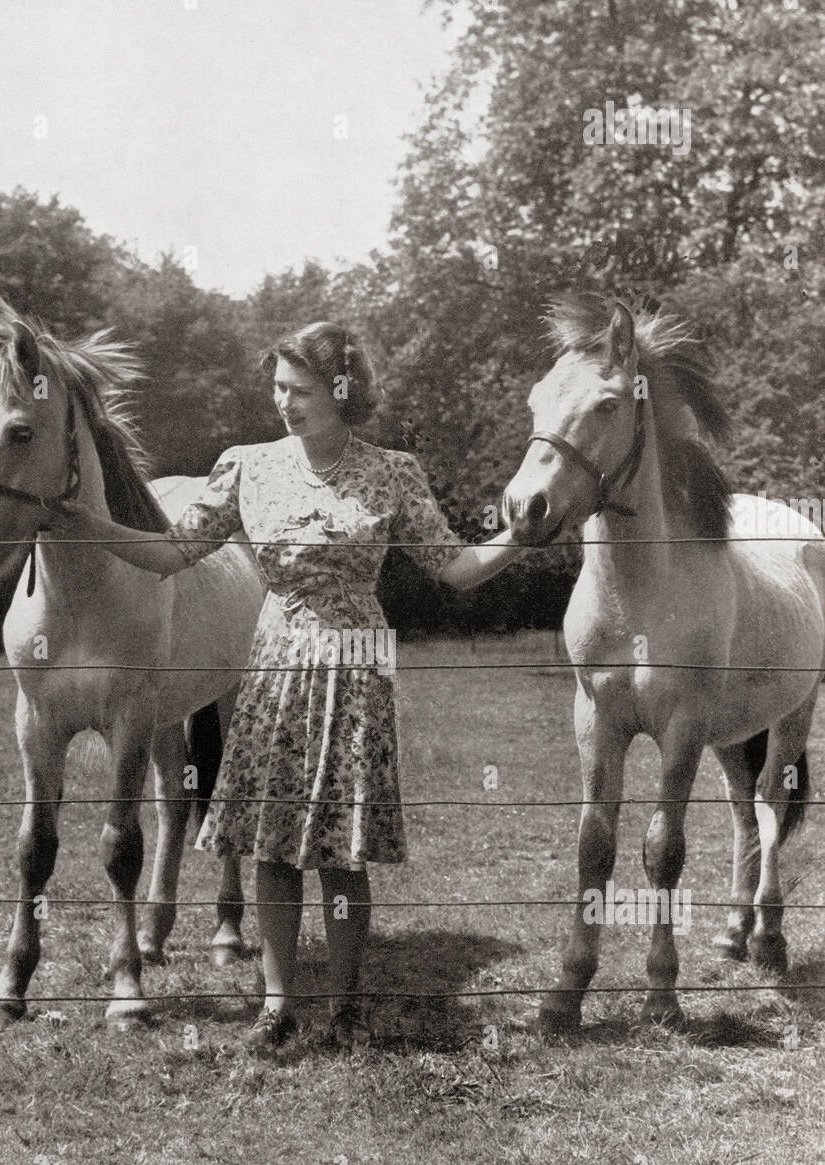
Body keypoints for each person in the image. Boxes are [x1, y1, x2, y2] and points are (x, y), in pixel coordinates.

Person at [47, 322, 520, 1051]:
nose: (283, 404)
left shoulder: (393, 472)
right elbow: (173, 553)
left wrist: (518, 537)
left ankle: (347, 1001)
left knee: (340, 847)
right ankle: (277, 1004)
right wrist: (92, 525)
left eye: (297, 390)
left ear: (341, 390)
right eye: (276, 388)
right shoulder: (245, 466)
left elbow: (452, 569)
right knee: (268, 842)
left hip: (355, 667)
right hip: (269, 663)